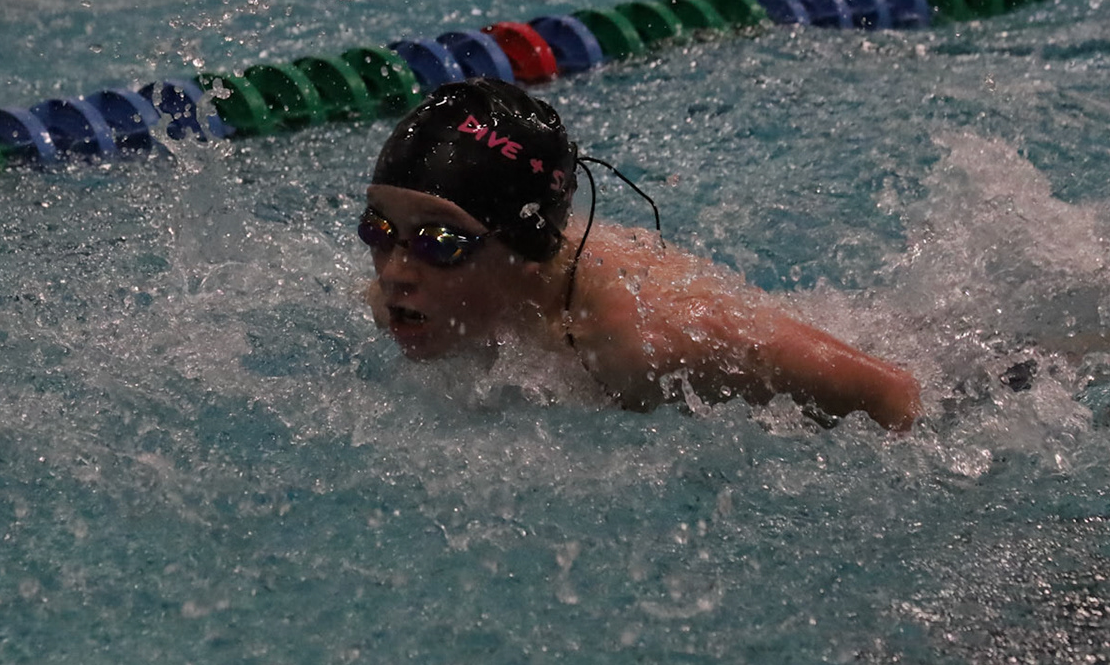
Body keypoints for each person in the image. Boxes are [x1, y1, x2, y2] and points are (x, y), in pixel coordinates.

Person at [359, 77, 923, 430]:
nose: (394, 274)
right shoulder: (408, 300)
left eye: (441, 242)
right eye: (380, 229)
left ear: (527, 248)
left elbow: (893, 394)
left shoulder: (644, 339)